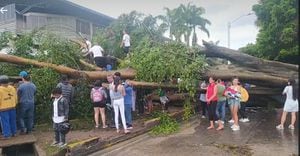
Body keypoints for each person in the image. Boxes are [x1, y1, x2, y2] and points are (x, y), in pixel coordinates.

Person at [0, 75, 17, 139]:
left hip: (3, 108)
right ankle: (14, 133)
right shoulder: (12, 88)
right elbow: (15, 97)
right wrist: (15, 103)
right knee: (13, 120)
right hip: (12, 107)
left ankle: (7, 135)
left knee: (5, 122)